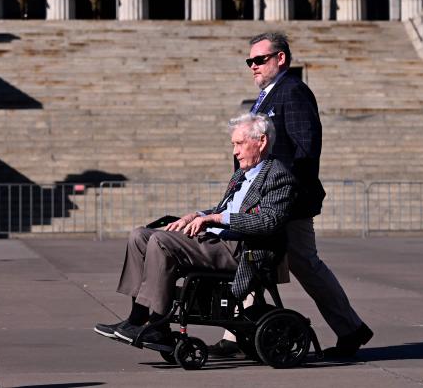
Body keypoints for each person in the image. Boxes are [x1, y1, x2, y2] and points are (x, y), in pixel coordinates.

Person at [209, 32, 373, 360]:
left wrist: (279, 192)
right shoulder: (268, 96)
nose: (253, 66)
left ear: (280, 58)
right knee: (253, 258)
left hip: (286, 203)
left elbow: (306, 148)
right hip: (267, 199)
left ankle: (351, 329)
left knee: (304, 264)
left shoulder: (293, 92)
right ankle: (233, 335)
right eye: (249, 61)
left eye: (259, 60)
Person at [94, 113, 297, 347]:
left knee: (161, 240)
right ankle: (136, 317)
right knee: (139, 236)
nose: (235, 151)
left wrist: (217, 218)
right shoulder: (242, 174)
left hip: (243, 250)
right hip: (219, 241)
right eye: (234, 145)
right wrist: (199, 215)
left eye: (239, 144)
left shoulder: (278, 176)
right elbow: (224, 208)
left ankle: (156, 324)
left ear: (261, 141)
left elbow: (269, 221)